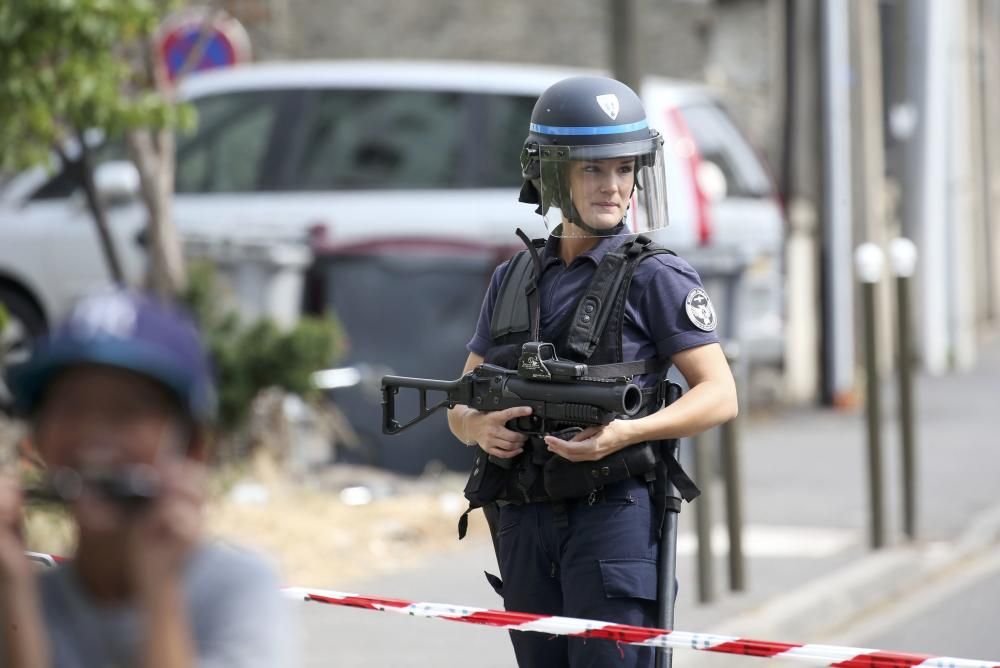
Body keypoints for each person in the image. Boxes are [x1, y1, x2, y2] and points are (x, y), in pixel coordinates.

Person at [447, 76, 738, 668]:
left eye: (625, 169)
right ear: (554, 174)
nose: (613, 186)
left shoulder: (658, 276)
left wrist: (626, 433)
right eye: (592, 169)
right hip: (524, 516)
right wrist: (478, 429)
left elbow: (719, 395)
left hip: (615, 516)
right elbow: (459, 401)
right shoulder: (512, 278)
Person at [0, 288, 293, 667]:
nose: (92, 432)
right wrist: (13, 591)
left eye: (126, 411)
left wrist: (159, 589)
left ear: (191, 448)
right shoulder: (22, 595)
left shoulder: (237, 591)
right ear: (36, 442)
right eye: (70, 406)